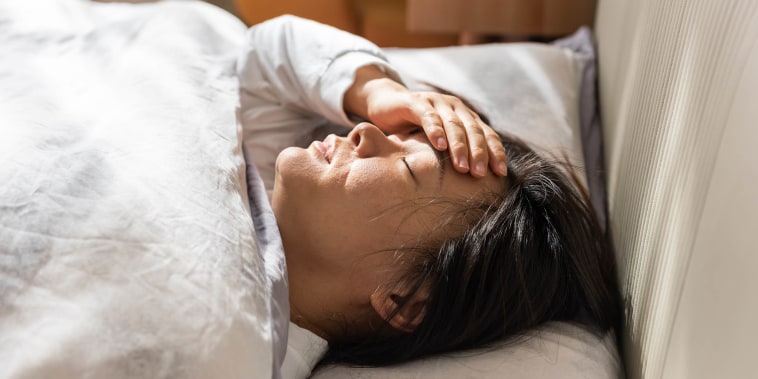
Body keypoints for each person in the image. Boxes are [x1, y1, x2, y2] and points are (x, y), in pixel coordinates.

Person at [237, 15, 620, 374]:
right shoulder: (257, 182)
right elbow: (264, 54)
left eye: (406, 167)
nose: (366, 132)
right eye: (397, 136)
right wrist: (378, 91)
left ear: (406, 299)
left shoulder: (234, 345)